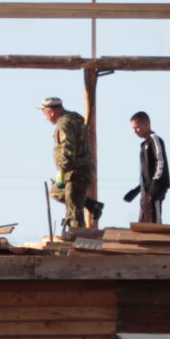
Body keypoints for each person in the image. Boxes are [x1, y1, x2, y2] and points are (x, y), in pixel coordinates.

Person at [39, 96, 102, 235]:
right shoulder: (73, 120)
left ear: (51, 112)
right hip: (77, 170)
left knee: (74, 210)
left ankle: (78, 239)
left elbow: (68, 148)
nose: (44, 117)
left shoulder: (65, 124)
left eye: (44, 112)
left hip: (76, 171)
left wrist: (62, 170)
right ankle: (91, 205)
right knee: (57, 192)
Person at [123, 110, 170, 224]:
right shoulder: (144, 145)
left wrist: (155, 185)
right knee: (143, 221)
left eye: (137, 128)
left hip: (155, 189)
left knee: (154, 220)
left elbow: (160, 161)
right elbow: (146, 174)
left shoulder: (154, 139)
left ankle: (157, 240)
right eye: (133, 129)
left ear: (146, 124)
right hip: (146, 190)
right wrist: (136, 191)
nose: (135, 131)